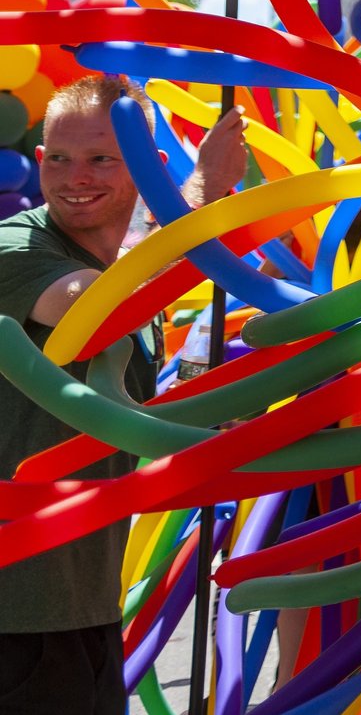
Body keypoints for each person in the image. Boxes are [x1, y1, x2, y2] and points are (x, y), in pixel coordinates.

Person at [0, 76, 245, 714]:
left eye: (101, 158)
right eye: (57, 157)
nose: (72, 176)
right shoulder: (14, 249)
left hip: (81, 602)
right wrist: (200, 193)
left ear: (148, 167)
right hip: (15, 614)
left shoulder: (130, 262)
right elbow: (103, 311)